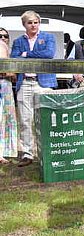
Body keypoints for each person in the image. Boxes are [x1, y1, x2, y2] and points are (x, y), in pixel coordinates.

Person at [10, 10, 57, 167]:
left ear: (39, 23)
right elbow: (14, 58)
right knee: (25, 120)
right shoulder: (18, 41)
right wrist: (30, 55)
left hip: (43, 82)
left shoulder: (48, 37)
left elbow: (49, 54)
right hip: (24, 83)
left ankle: (48, 151)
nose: (33, 25)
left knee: (46, 119)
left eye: (35, 22)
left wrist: (25, 54)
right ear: (25, 25)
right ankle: (27, 154)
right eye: (29, 23)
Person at [0, 29, 18, 163]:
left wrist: (9, 74)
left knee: (7, 118)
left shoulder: (8, 50)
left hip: (6, 87)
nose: (3, 37)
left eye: (5, 36)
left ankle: (4, 151)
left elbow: (12, 75)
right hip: (2, 85)